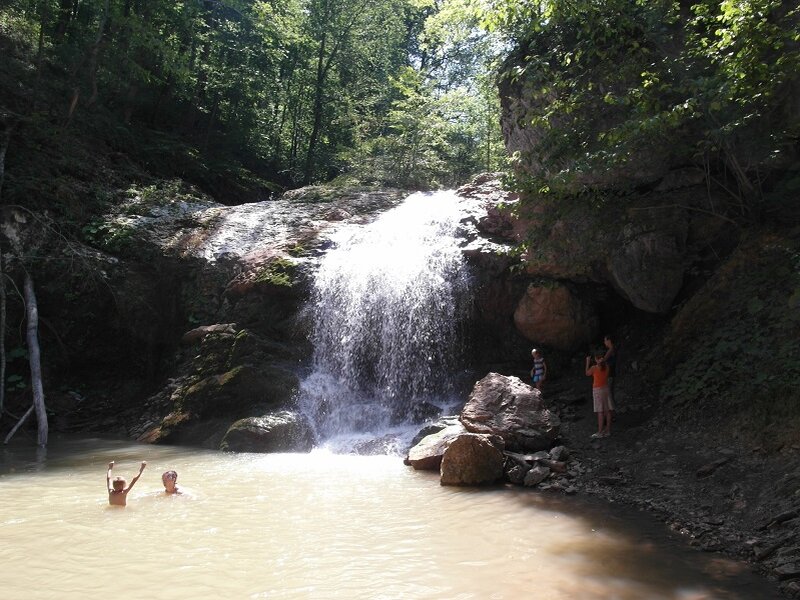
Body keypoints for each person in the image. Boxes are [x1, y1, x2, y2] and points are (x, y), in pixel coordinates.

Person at [586, 352, 613, 438]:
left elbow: (587, 373)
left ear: (596, 360)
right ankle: (608, 431)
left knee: (600, 411)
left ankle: (600, 432)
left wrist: (587, 362)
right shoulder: (607, 367)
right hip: (606, 389)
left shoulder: (594, 368)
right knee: (607, 410)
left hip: (598, 390)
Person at [603, 334, 617, 404]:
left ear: (609, 341)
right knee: (610, 391)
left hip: (610, 373)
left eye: (605, 340)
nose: (604, 342)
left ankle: (613, 409)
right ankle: (613, 408)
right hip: (612, 372)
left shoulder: (611, 350)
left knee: (609, 392)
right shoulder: (613, 349)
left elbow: (604, 360)